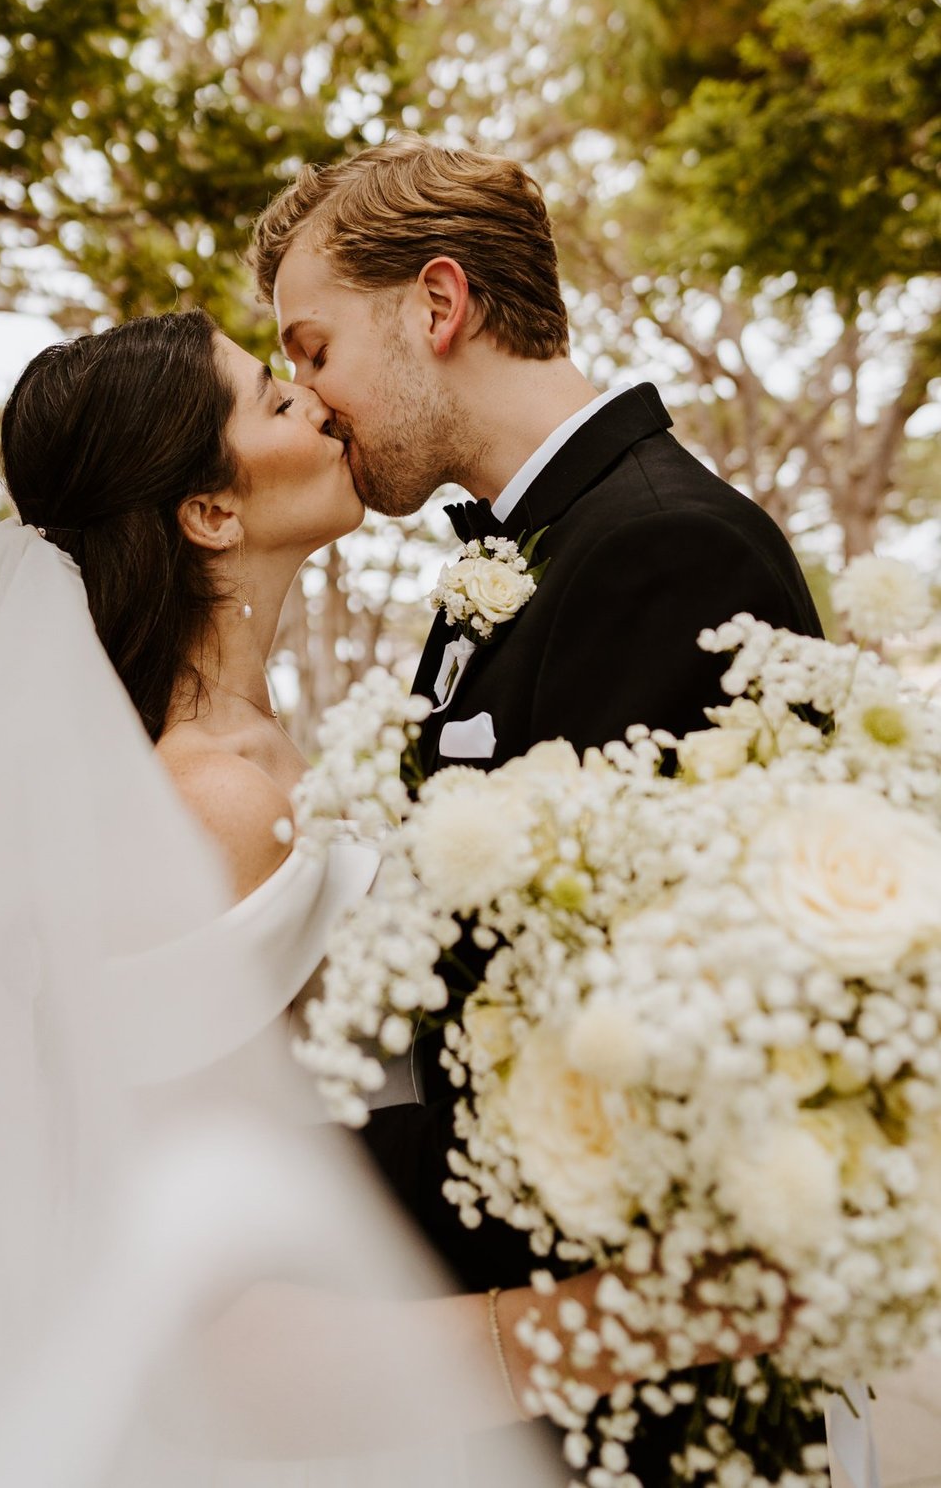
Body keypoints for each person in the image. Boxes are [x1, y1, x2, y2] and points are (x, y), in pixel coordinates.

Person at [0, 307, 737, 1487]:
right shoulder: (211, 802)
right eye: (274, 396)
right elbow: (216, 1327)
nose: (317, 401)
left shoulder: (263, 754)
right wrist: (658, 1320)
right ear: (210, 513)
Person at [248, 135, 828, 1481]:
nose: (309, 400)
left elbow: (634, 1064)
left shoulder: (665, 547)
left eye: (315, 348)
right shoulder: (517, 560)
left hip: (629, 1394)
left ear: (437, 307)